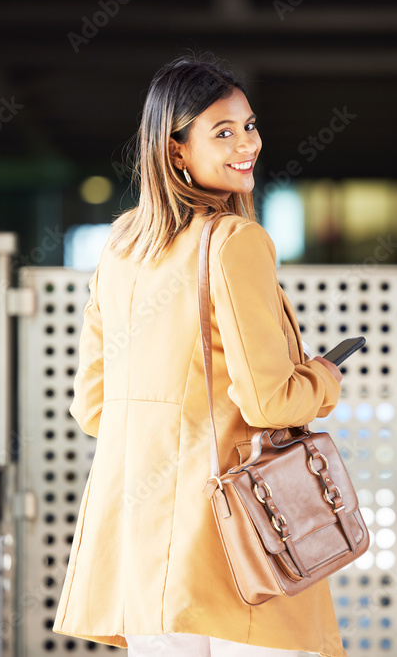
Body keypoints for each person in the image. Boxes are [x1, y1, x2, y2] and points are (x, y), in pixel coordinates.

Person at [53, 54, 346, 657]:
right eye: (223, 132)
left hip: (137, 544)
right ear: (176, 150)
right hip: (236, 541)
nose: (248, 144)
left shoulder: (122, 245)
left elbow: (92, 406)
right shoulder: (235, 242)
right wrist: (324, 378)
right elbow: (268, 402)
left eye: (250, 125)